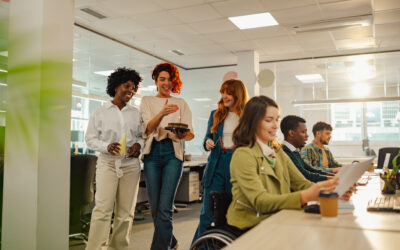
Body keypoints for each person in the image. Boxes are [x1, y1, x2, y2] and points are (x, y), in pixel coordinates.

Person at [226, 96, 340, 234]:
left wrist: (333, 191)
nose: (275, 126)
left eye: (277, 119)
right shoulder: (243, 155)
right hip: (252, 226)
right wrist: (304, 196)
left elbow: (302, 183)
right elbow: (260, 201)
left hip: (279, 218)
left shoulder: (277, 152)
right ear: (253, 122)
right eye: (269, 120)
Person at [85, 67, 143, 250]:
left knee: (126, 213)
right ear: (116, 86)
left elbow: (142, 135)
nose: (130, 91)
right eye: (127, 86)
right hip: (108, 163)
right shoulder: (100, 112)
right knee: (103, 210)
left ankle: (118, 248)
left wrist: (138, 145)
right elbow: (90, 139)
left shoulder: (136, 113)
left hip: (130, 165)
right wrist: (106, 146)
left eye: (133, 88)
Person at [140, 62, 194, 250]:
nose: (166, 83)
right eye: (162, 79)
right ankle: (171, 241)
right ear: (155, 80)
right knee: (155, 208)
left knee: (164, 208)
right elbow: (148, 128)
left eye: (170, 80)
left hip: (173, 153)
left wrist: (181, 134)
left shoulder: (181, 103)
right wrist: (162, 112)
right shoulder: (147, 101)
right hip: (152, 154)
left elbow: (189, 133)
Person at [192, 79, 248, 243]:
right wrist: (208, 142)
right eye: (223, 92)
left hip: (237, 163)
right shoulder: (215, 114)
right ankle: (201, 246)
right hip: (216, 163)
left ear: (237, 94)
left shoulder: (247, 116)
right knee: (208, 213)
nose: (224, 96)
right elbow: (207, 138)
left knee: (232, 210)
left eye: (229, 92)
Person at [280, 115, 330, 182]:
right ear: (291, 133)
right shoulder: (285, 152)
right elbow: (304, 174)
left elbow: (309, 169)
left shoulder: (295, 151)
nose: (307, 135)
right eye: (303, 132)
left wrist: (330, 175)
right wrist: (331, 178)